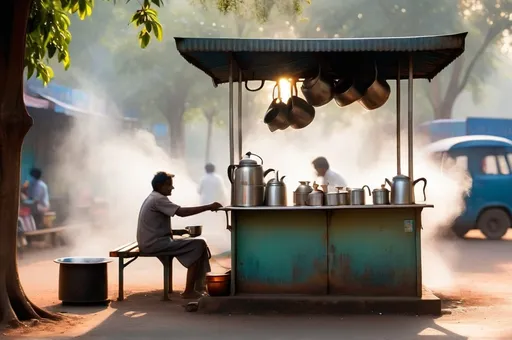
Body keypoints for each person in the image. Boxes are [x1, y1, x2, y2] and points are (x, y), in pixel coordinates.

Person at [137, 171, 222, 299]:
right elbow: (181, 212)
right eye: (169, 185)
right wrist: (209, 207)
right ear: (160, 186)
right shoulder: (158, 199)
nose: (172, 187)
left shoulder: (154, 197)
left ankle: (200, 285)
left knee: (200, 244)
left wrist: (179, 232)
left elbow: (155, 225)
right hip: (153, 243)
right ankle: (189, 290)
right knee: (198, 245)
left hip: (151, 241)